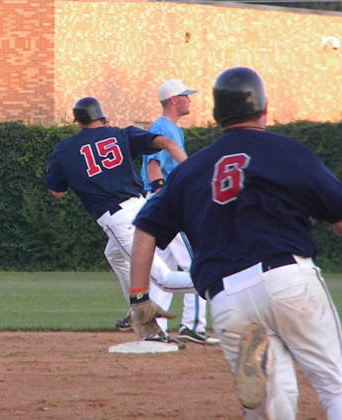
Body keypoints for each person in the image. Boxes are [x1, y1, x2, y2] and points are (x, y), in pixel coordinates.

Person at [128, 66, 342, 419]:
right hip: (287, 279)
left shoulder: (190, 171)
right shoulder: (287, 152)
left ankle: (262, 387)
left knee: (272, 402)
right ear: (265, 108)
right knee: (334, 385)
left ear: (216, 116)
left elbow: (145, 232)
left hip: (227, 297)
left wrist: (139, 299)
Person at [45, 96, 195, 342]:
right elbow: (167, 142)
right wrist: (191, 170)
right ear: (101, 117)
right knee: (113, 254)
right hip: (143, 208)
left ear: (78, 122)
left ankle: (224, 281)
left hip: (120, 219)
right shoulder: (120, 134)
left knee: (164, 279)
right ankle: (138, 309)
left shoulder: (66, 148)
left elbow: (57, 193)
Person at [139, 79, 217, 345]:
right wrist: (166, 200)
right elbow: (153, 168)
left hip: (161, 204)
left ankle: (155, 330)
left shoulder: (171, 129)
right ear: (173, 99)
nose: (189, 99)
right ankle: (192, 326)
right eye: (186, 95)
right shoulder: (162, 128)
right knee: (197, 261)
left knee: (164, 268)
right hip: (168, 203)